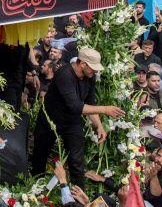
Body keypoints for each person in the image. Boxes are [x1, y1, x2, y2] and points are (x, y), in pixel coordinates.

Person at [31, 47, 125, 185]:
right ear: (82, 64)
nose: (95, 71)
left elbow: (89, 103)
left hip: (71, 121)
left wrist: (99, 125)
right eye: (93, 67)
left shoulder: (90, 76)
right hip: (50, 119)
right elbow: (75, 106)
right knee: (40, 155)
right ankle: (35, 185)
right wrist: (105, 109)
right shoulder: (64, 74)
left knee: (76, 159)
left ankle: (78, 194)